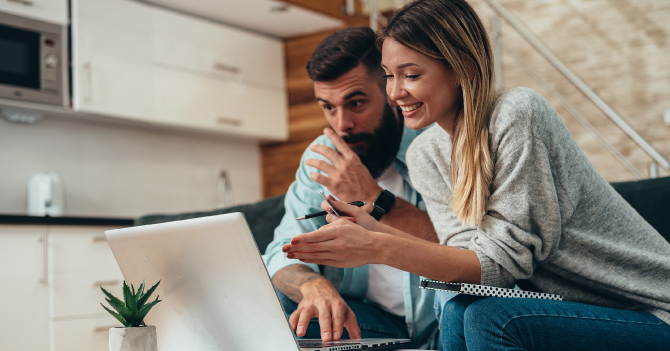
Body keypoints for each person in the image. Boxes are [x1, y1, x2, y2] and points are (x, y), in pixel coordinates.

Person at [281, 0, 670, 350]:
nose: (396, 93)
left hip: (652, 308)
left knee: (491, 317)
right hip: (574, 312)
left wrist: (378, 246)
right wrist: (373, 228)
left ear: (461, 69)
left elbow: (503, 266)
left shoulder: (518, 113)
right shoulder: (426, 153)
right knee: (460, 305)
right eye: (388, 76)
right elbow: (470, 269)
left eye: (411, 75)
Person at [262, 27, 440, 349]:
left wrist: (373, 196)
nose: (341, 124)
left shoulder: (437, 144)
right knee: (284, 303)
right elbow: (282, 249)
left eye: (355, 103)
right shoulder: (322, 156)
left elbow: (467, 250)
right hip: (371, 321)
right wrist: (313, 286)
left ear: (391, 90)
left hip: (441, 320)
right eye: (328, 107)